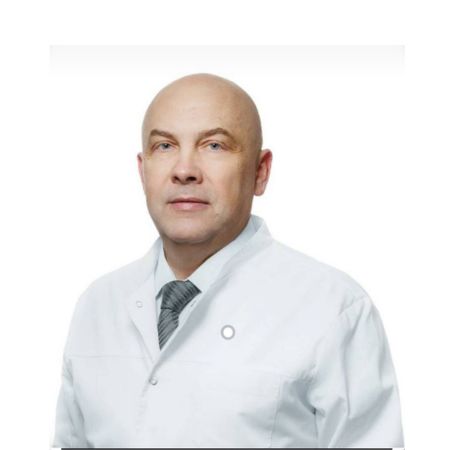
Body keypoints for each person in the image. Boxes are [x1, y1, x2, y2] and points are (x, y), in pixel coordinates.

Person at [52, 73, 404, 448]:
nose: (184, 170)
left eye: (214, 145)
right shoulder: (97, 305)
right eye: (165, 145)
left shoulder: (334, 309)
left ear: (260, 172)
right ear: (143, 170)